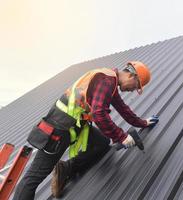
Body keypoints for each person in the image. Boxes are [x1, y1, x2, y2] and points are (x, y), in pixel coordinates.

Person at [13, 61, 159, 199]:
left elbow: (123, 109)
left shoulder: (110, 82)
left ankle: (66, 169)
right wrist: (122, 137)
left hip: (75, 126)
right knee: (33, 177)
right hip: (58, 128)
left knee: (101, 143)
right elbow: (99, 114)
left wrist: (143, 123)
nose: (133, 90)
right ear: (131, 76)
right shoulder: (107, 80)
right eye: (136, 86)